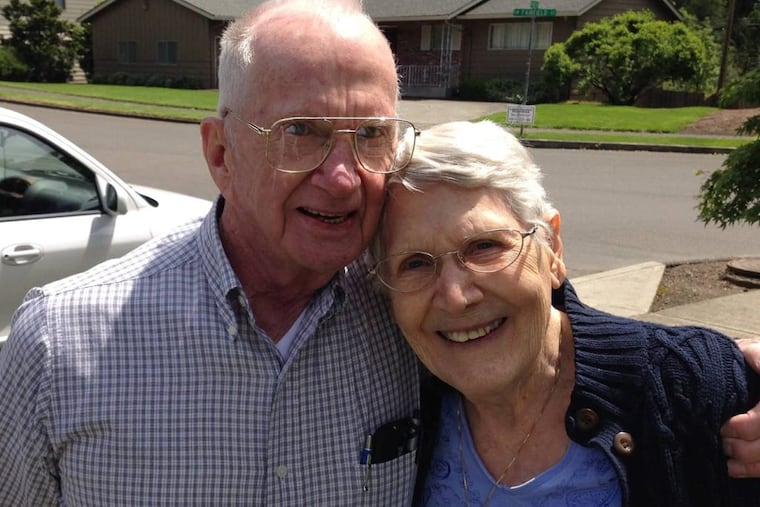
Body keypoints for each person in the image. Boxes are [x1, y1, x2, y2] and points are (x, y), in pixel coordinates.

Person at [0, 1, 421, 505]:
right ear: (221, 153)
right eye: (300, 131)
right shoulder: (58, 342)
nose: (342, 178)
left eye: (372, 134)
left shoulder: (415, 315)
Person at [368, 120, 760, 506]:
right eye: (415, 263)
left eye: (484, 246)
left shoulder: (694, 387)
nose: (455, 297)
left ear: (552, 248)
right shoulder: (398, 399)